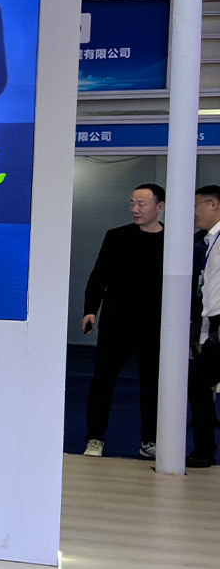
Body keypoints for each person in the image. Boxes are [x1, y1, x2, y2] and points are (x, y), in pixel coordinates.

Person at [81, 183, 164, 459]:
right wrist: (90, 310)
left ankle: (150, 440)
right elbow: (99, 275)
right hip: (117, 322)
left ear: (159, 207)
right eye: (132, 203)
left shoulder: (173, 240)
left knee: (153, 384)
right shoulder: (116, 236)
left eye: (141, 204)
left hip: (155, 325)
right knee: (102, 381)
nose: (135, 209)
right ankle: (94, 437)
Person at [186, 185, 220, 468]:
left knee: (198, 381)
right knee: (198, 381)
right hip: (212, 323)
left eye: (196, 205)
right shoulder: (209, 240)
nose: (193, 212)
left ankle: (205, 450)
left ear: (213, 205)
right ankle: (204, 449)